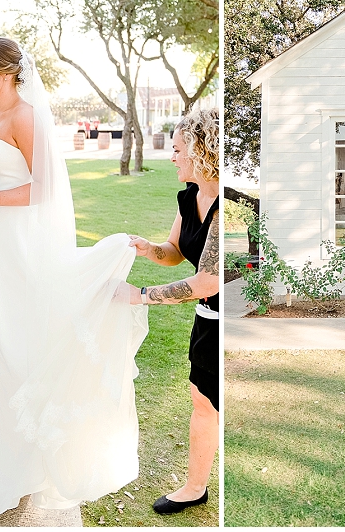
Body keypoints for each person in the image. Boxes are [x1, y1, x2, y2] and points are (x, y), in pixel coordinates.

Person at [0, 38, 148, 517]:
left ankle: (17, 458)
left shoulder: (28, 117)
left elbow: (43, 191)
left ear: (6, 71)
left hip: (13, 247)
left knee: (10, 341)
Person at [125, 107, 219, 514]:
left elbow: (209, 282)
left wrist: (141, 295)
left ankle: (197, 487)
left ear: (201, 149)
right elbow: (175, 251)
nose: (173, 156)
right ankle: (196, 487)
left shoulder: (226, 203)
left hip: (227, 321)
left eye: (178, 149)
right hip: (206, 321)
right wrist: (150, 250)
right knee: (204, 402)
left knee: (212, 403)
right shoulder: (189, 196)